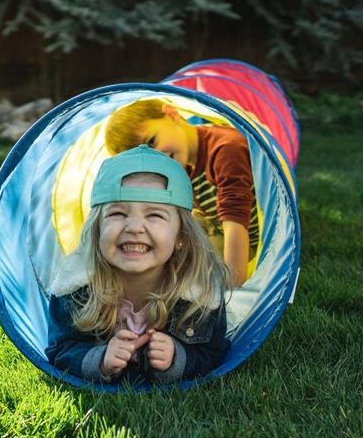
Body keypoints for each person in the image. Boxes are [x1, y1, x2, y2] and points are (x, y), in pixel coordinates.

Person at [45, 145, 230, 386]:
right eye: (118, 214)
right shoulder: (74, 288)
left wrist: (177, 358)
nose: (134, 227)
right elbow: (60, 349)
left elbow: (214, 352)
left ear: (181, 236)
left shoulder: (200, 295)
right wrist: (99, 360)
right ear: (97, 229)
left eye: (154, 215)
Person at [104, 99, 258, 288]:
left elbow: (236, 223)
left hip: (244, 242)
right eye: (148, 158)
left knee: (190, 273)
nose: (159, 157)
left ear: (172, 114)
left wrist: (234, 289)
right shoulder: (178, 163)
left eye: (152, 141)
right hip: (216, 229)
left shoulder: (226, 149)